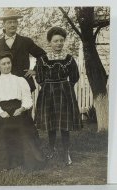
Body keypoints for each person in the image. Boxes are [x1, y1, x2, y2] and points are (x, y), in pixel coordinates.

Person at [0, 51, 45, 170]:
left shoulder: (20, 80)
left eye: (9, 63)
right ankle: (5, 162)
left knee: (23, 128)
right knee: (5, 128)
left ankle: (27, 160)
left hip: (19, 110)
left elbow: (27, 98)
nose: (7, 66)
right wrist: (0, 112)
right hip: (3, 112)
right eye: (3, 64)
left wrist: (22, 108)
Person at [34, 26, 82, 165]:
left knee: (64, 124)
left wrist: (65, 86)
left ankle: (66, 152)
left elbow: (75, 76)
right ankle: (52, 149)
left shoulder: (69, 59)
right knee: (51, 122)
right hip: (48, 93)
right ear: (50, 42)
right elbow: (39, 77)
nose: (59, 43)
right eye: (55, 41)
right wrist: (48, 86)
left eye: (61, 40)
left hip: (64, 93)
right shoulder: (43, 59)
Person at [0, 9, 46, 92]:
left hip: (24, 84)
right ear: (4, 24)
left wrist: (35, 70)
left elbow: (43, 55)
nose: (12, 25)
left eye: (14, 22)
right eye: (9, 22)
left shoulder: (26, 41)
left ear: (17, 23)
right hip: (4, 87)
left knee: (26, 105)